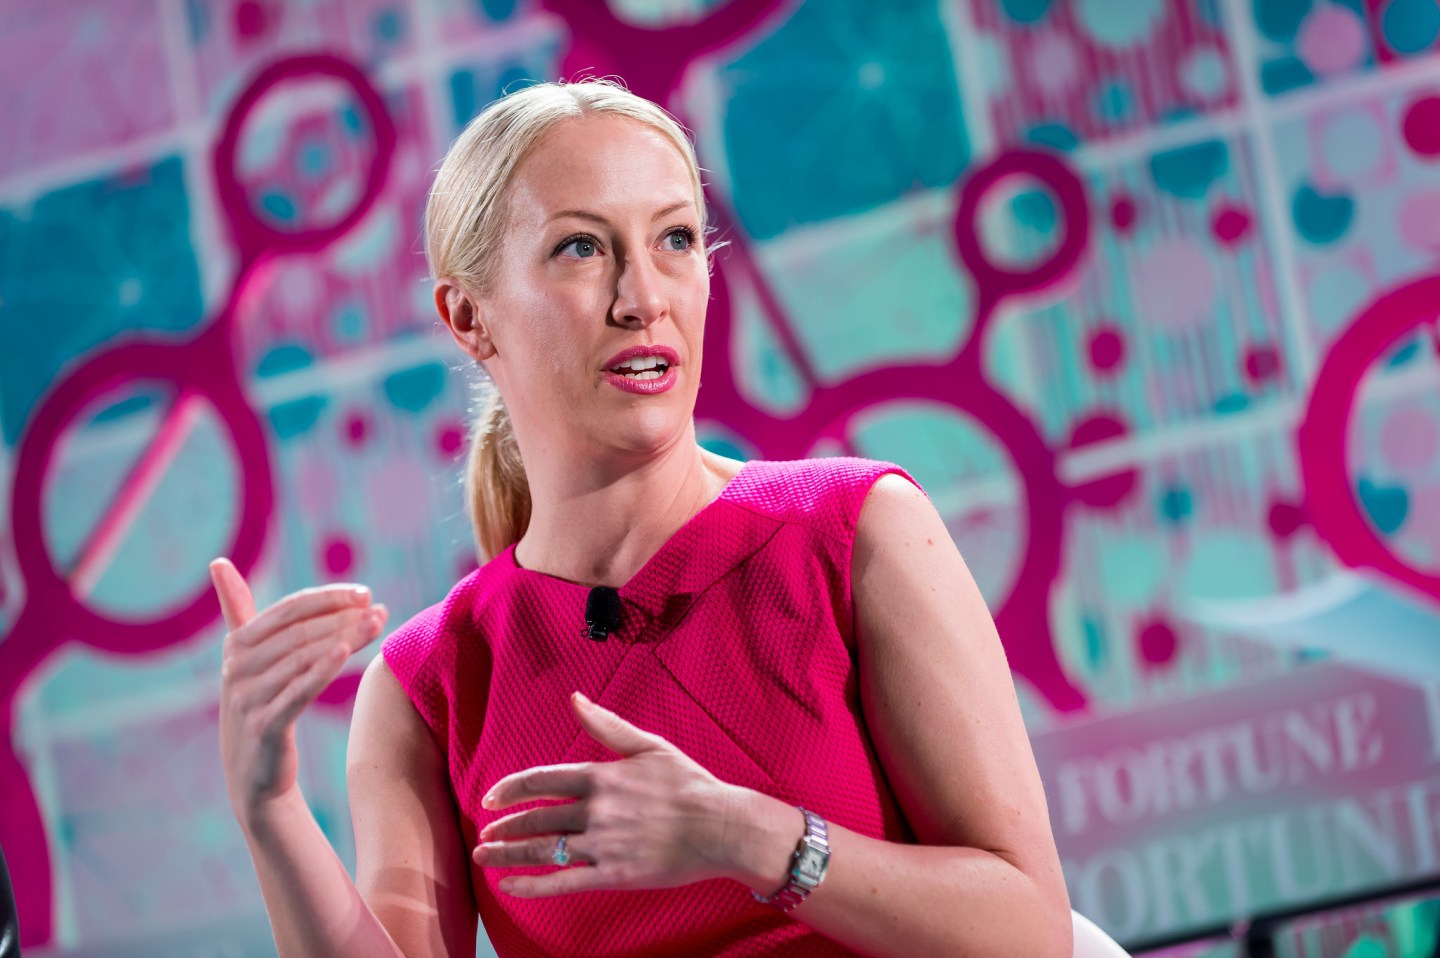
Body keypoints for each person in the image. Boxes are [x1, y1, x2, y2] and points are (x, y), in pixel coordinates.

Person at [209, 79, 1072, 957]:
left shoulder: (857, 531)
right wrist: (271, 813)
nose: (643, 296)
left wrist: (745, 836)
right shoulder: (429, 685)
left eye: (676, 240)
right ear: (468, 316)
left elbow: (1030, 933)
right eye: (582, 248)